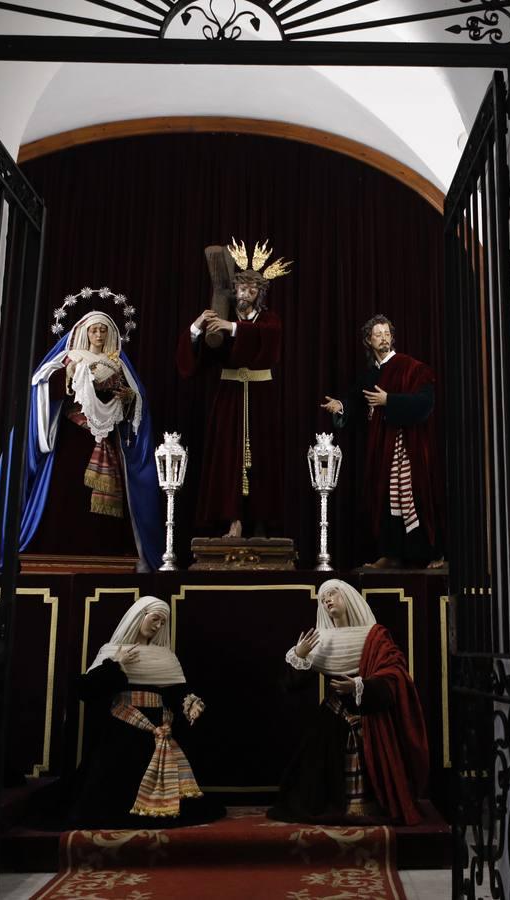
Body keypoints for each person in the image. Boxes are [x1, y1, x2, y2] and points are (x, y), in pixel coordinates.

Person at [0, 306, 163, 571]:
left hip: (105, 439)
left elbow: (135, 403)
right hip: (72, 438)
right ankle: (55, 553)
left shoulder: (118, 364)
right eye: (94, 329)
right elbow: (42, 385)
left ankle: (106, 554)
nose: (99, 334)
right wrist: (69, 376)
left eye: (103, 330)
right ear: (84, 332)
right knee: (64, 493)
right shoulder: (71, 358)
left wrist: (127, 397)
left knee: (107, 507)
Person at [25, 596, 224, 829]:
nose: (158, 626)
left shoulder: (165, 657)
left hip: (157, 727)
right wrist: (116, 665)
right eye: (155, 619)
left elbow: (178, 690)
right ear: (140, 616)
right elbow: (86, 689)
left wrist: (191, 704)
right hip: (121, 727)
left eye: (162, 622)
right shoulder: (111, 651)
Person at [268, 579, 429, 825]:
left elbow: (394, 674)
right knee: (314, 784)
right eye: (323, 599)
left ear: (348, 597)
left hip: (370, 719)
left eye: (332, 594)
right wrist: (299, 656)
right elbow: (290, 686)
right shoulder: (320, 641)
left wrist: (359, 686)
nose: (328, 600)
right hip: (332, 719)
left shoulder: (375, 636)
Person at [177, 239, 292, 539]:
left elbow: (270, 339)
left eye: (252, 290)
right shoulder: (221, 316)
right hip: (229, 395)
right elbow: (202, 359)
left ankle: (262, 522)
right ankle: (234, 520)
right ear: (234, 290)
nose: (246, 294)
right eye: (241, 288)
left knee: (263, 458)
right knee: (228, 458)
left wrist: (234, 329)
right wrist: (196, 329)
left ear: (260, 294)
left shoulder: (268, 320)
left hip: (261, 397)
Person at [320, 315, 442, 568]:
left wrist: (390, 401)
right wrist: (340, 406)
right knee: (387, 498)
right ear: (368, 340)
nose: (384, 338)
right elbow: (355, 400)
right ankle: (393, 553)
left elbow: (425, 402)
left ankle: (429, 554)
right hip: (382, 448)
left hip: (407, 445)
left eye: (387, 333)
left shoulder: (411, 367)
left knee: (412, 496)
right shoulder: (370, 376)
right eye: (378, 334)